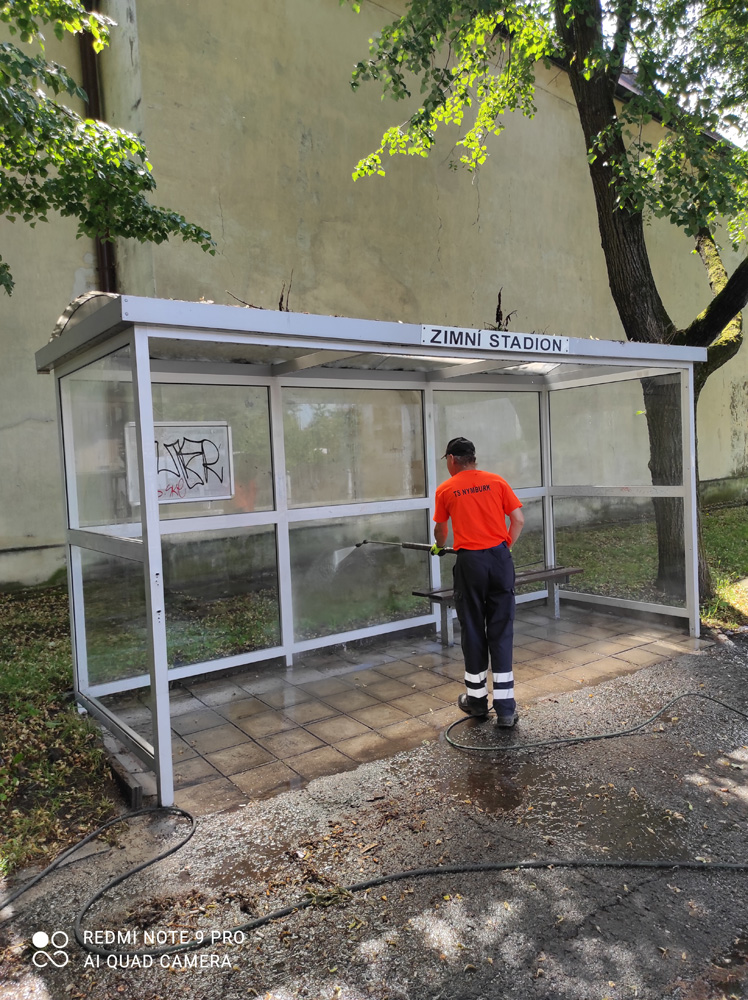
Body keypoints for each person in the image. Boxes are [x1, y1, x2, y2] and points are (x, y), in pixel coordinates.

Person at [431, 437, 524, 727]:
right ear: (473, 458)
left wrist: (438, 547)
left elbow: (441, 531)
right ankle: (506, 709)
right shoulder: (497, 481)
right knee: (501, 629)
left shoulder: (446, 489)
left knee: (472, 628)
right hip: (499, 560)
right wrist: (505, 548)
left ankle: (477, 702)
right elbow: (518, 520)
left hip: (470, 563)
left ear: (451, 459)